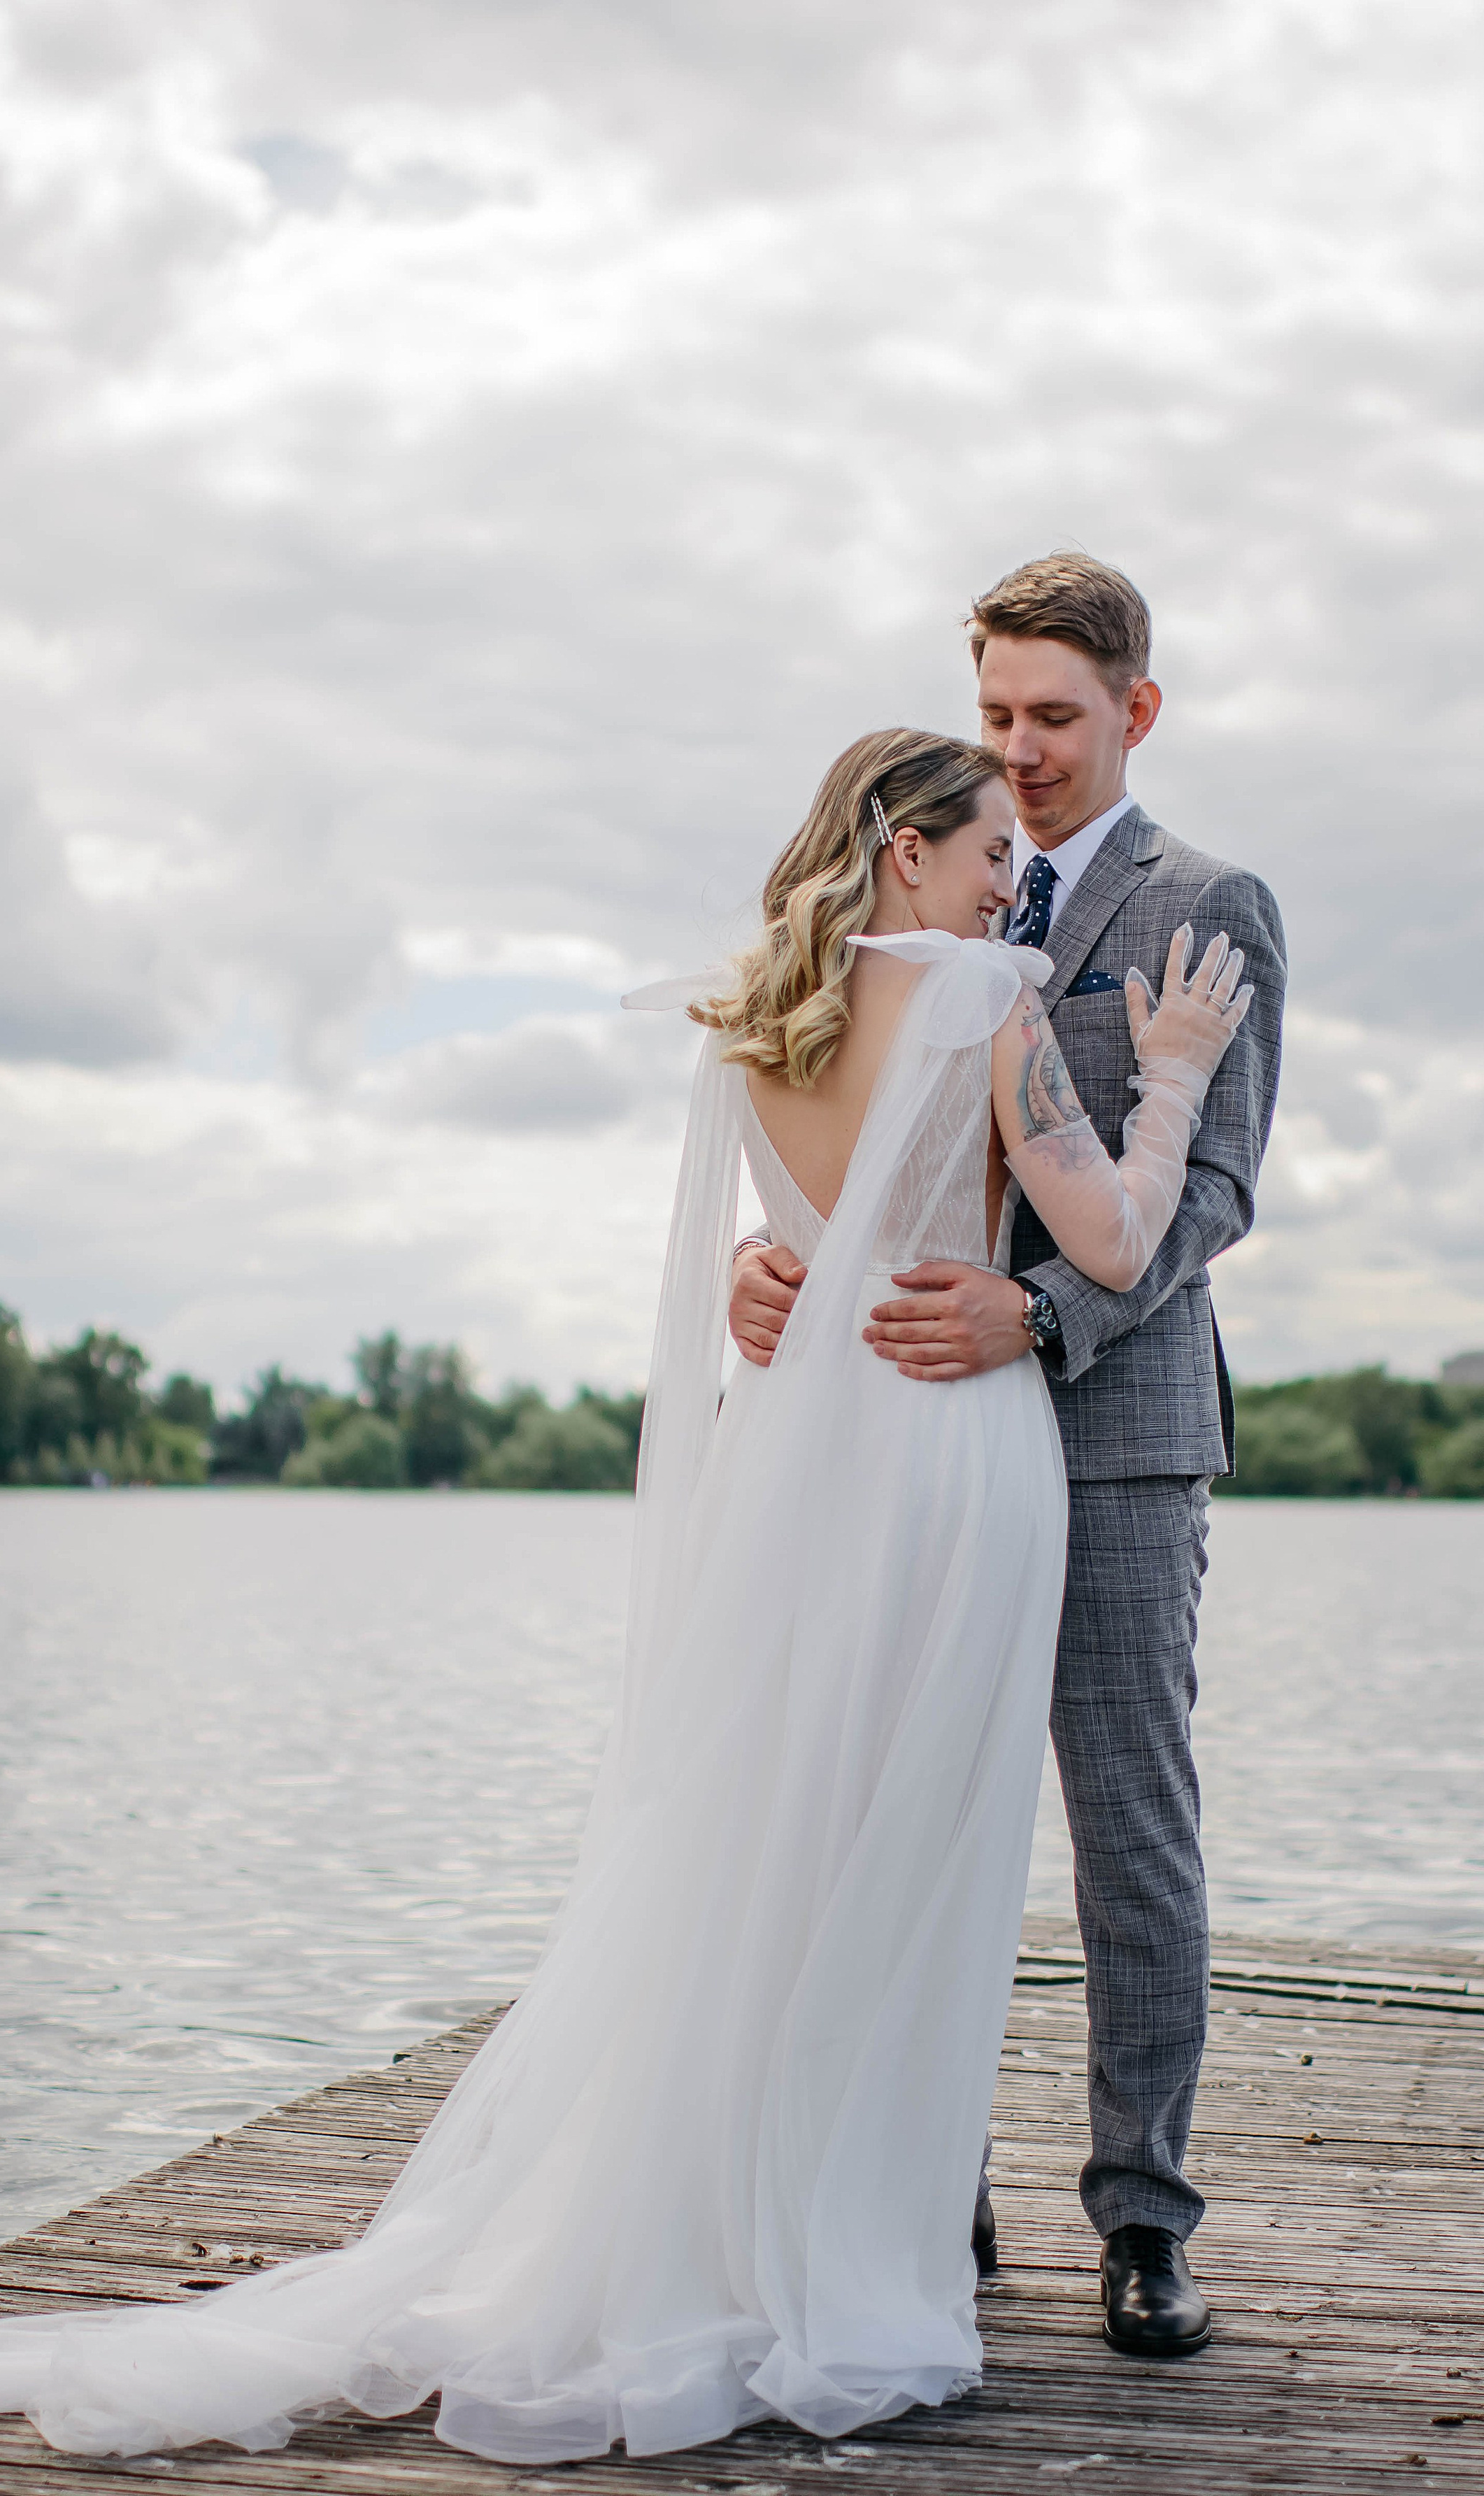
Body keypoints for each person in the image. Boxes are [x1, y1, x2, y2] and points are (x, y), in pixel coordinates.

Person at [0, 716, 1253, 2463]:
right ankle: (853, 2237)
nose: (1010, 864)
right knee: (921, 1848)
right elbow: (1108, 1237)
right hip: (947, 1451)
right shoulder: (973, 994)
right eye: (980, 844)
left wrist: (768, 1277)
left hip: (808, 1452)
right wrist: (1165, 1072)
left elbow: (777, 1250)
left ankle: (774, 2214)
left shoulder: (748, 1019)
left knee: (783, 1837)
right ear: (900, 849)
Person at [729, 553, 1287, 2355]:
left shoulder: (1209, 903)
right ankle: (924, 2185)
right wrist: (774, 1276)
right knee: (900, 1809)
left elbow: (1202, 1197)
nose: (1022, 749)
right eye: (994, 715)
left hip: (1113, 1442)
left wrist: (1032, 1318)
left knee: (1125, 1829)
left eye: (1054, 714)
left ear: (1134, 709)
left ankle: (1141, 2217)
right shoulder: (907, 917)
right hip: (895, 1434)